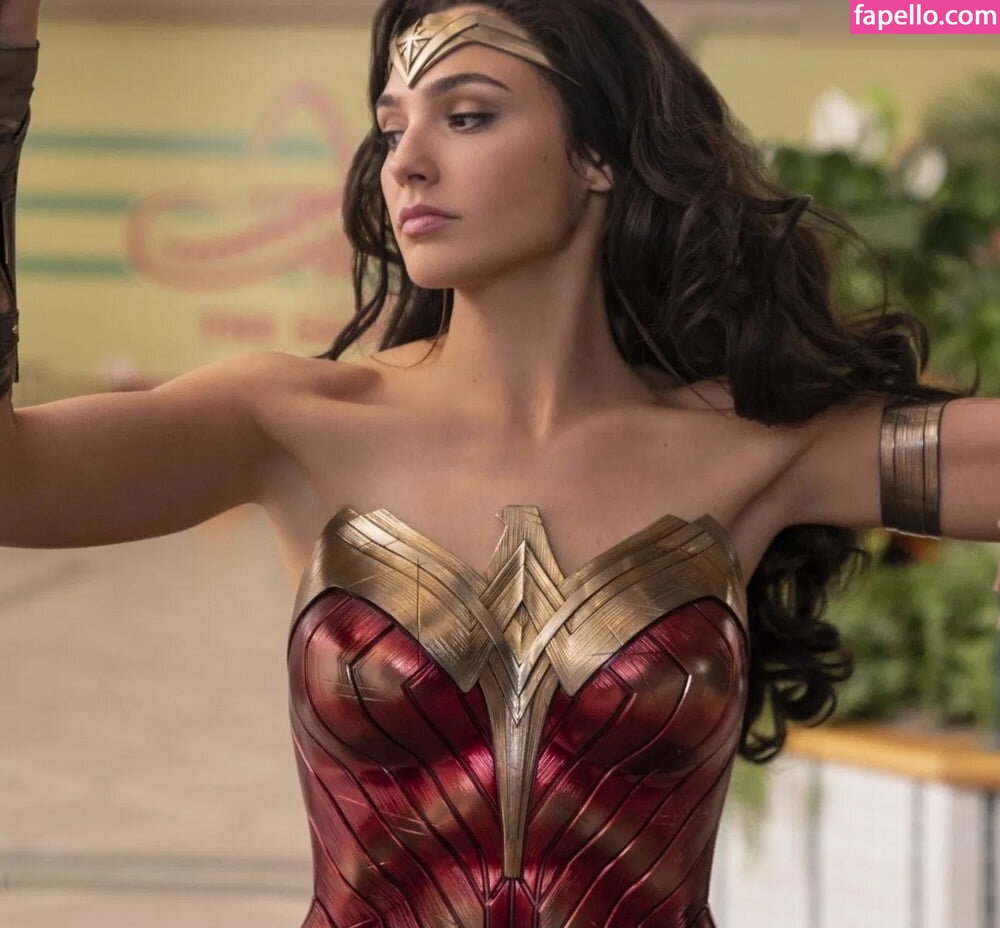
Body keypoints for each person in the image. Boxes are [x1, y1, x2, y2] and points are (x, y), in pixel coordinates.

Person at [2, 1, 999, 925]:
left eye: (467, 116)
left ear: (597, 152)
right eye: (391, 128)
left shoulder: (753, 448)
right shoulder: (291, 421)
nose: (406, 163)